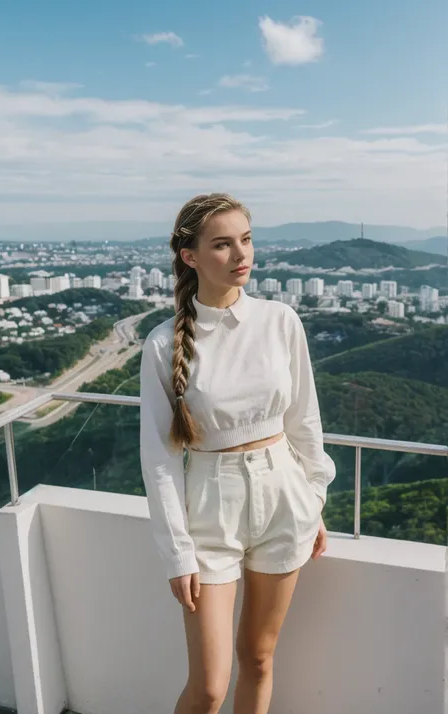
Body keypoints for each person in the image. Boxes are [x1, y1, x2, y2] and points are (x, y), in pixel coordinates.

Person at [140, 193, 336, 714]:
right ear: (190, 257)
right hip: (209, 507)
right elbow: (158, 459)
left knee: (260, 658)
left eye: (246, 240)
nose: (241, 254)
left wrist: (313, 499)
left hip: (283, 496)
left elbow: (305, 420)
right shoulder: (163, 344)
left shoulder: (280, 320)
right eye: (222, 244)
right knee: (208, 687)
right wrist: (177, 551)